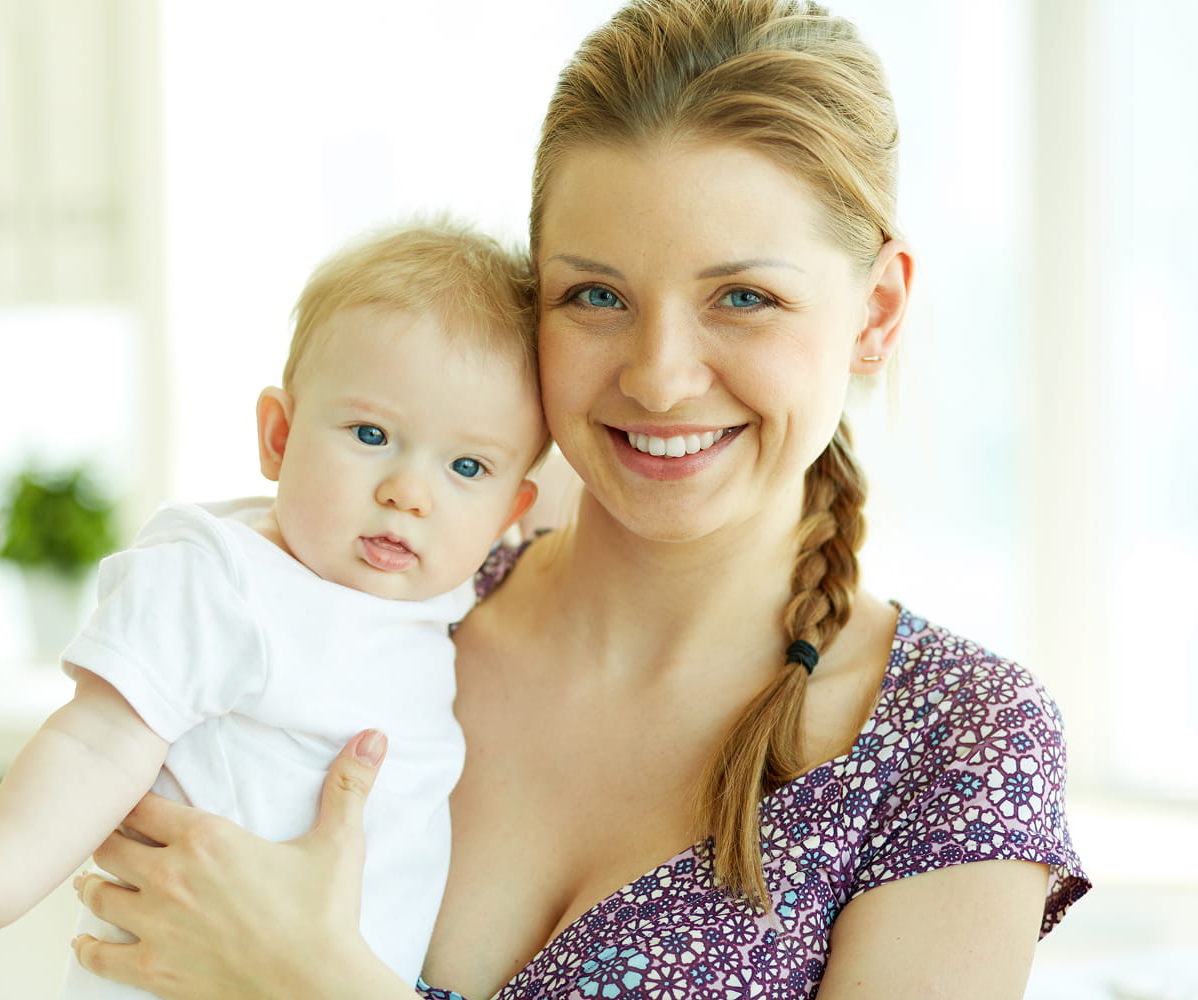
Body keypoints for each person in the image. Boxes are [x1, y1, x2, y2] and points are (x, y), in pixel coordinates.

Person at [61, 1, 1092, 998]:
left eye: (744, 297)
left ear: (877, 312)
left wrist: (315, 984)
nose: (659, 378)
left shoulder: (956, 740)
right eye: (597, 296)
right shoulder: (379, 605)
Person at [0, 220, 550, 994]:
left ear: (511, 512)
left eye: (467, 467)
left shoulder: (445, 599)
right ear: (278, 436)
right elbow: (96, 743)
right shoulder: (219, 579)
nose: (409, 493)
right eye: (371, 433)